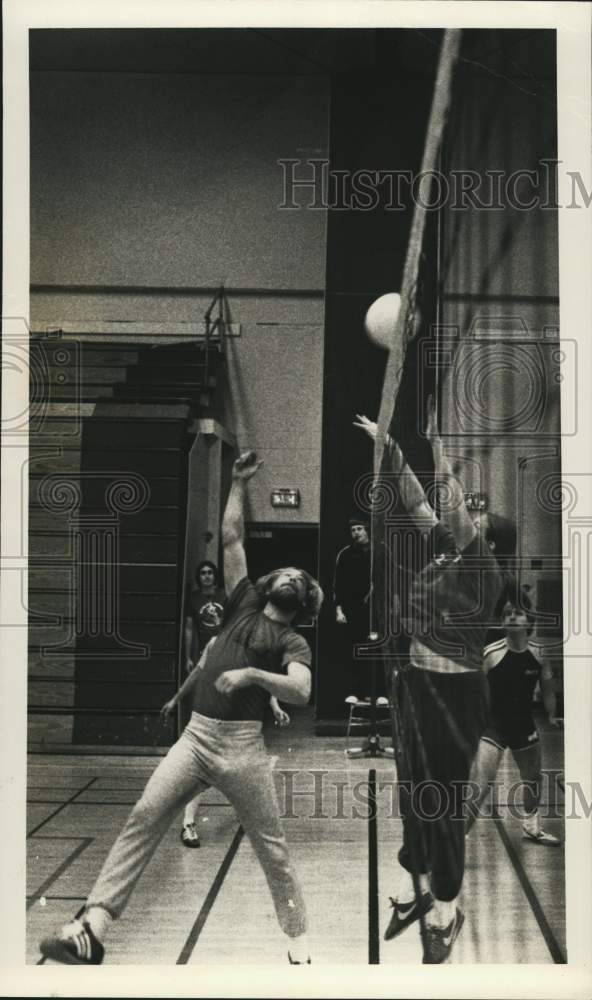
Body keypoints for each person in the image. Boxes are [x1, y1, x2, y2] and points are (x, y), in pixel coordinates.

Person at [40, 450, 323, 966]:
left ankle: (299, 946)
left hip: (241, 750)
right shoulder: (241, 601)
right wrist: (237, 483)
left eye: (299, 580)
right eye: (284, 572)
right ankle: (93, 927)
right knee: (145, 814)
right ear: (267, 585)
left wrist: (255, 675)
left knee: (271, 850)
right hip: (196, 737)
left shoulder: (292, 640)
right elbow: (233, 536)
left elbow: (301, 692)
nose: (290, 577)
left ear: (302, 600)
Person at [354, 402, 513, 963]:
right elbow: (418, 501)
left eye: (474, 522)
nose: (463, 521)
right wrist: (391, 448)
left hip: (455, 695)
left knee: (440, 803)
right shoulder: (447, 552)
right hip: (418, 687)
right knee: (414, 796)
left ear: (489, 541)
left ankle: (446, 908)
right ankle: (411, 888)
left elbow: (445, 497)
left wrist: (442, 452)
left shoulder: (483, 569)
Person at [165, 636, 291, 848]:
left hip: (241, 723)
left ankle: (248, 816)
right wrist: (177, 698)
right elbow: (197, 672)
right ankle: (188, 824)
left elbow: (263, 682)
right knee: (200, 775)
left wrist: (275, 708)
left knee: (245, 770)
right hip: (213, 718)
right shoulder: (215, 643)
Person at [466, 579, 561, 844]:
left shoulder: (540, 653)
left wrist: (552, 715)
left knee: (532, 777)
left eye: (517, 612)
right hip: (493, 726)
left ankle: (531, 826)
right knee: (480, 785)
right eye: (507, 613)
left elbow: (549, 687)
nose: (511, 616)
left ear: (528, 618)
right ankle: (453, 840)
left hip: (523, 725)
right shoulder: (491, 654)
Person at [180, 560, 227, 846]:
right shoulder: (195, 600)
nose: (207, 576)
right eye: (203, 573)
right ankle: (188, 823)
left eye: (210, 572)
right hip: (205, 663)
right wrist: (189, 655)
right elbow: (189, 629)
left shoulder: (225, 598)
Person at [333, 516, 387, 704]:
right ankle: (355, 691)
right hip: (353, 611)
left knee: (378, 650)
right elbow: (338, 585)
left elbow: (392, 580)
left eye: (359, 529)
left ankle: (379, 693)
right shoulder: (346, 554)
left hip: (377, 611)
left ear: (367, 530)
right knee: (355, 651)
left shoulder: (381, 552)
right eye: (353, 530)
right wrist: (339, 610)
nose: (355, 533)